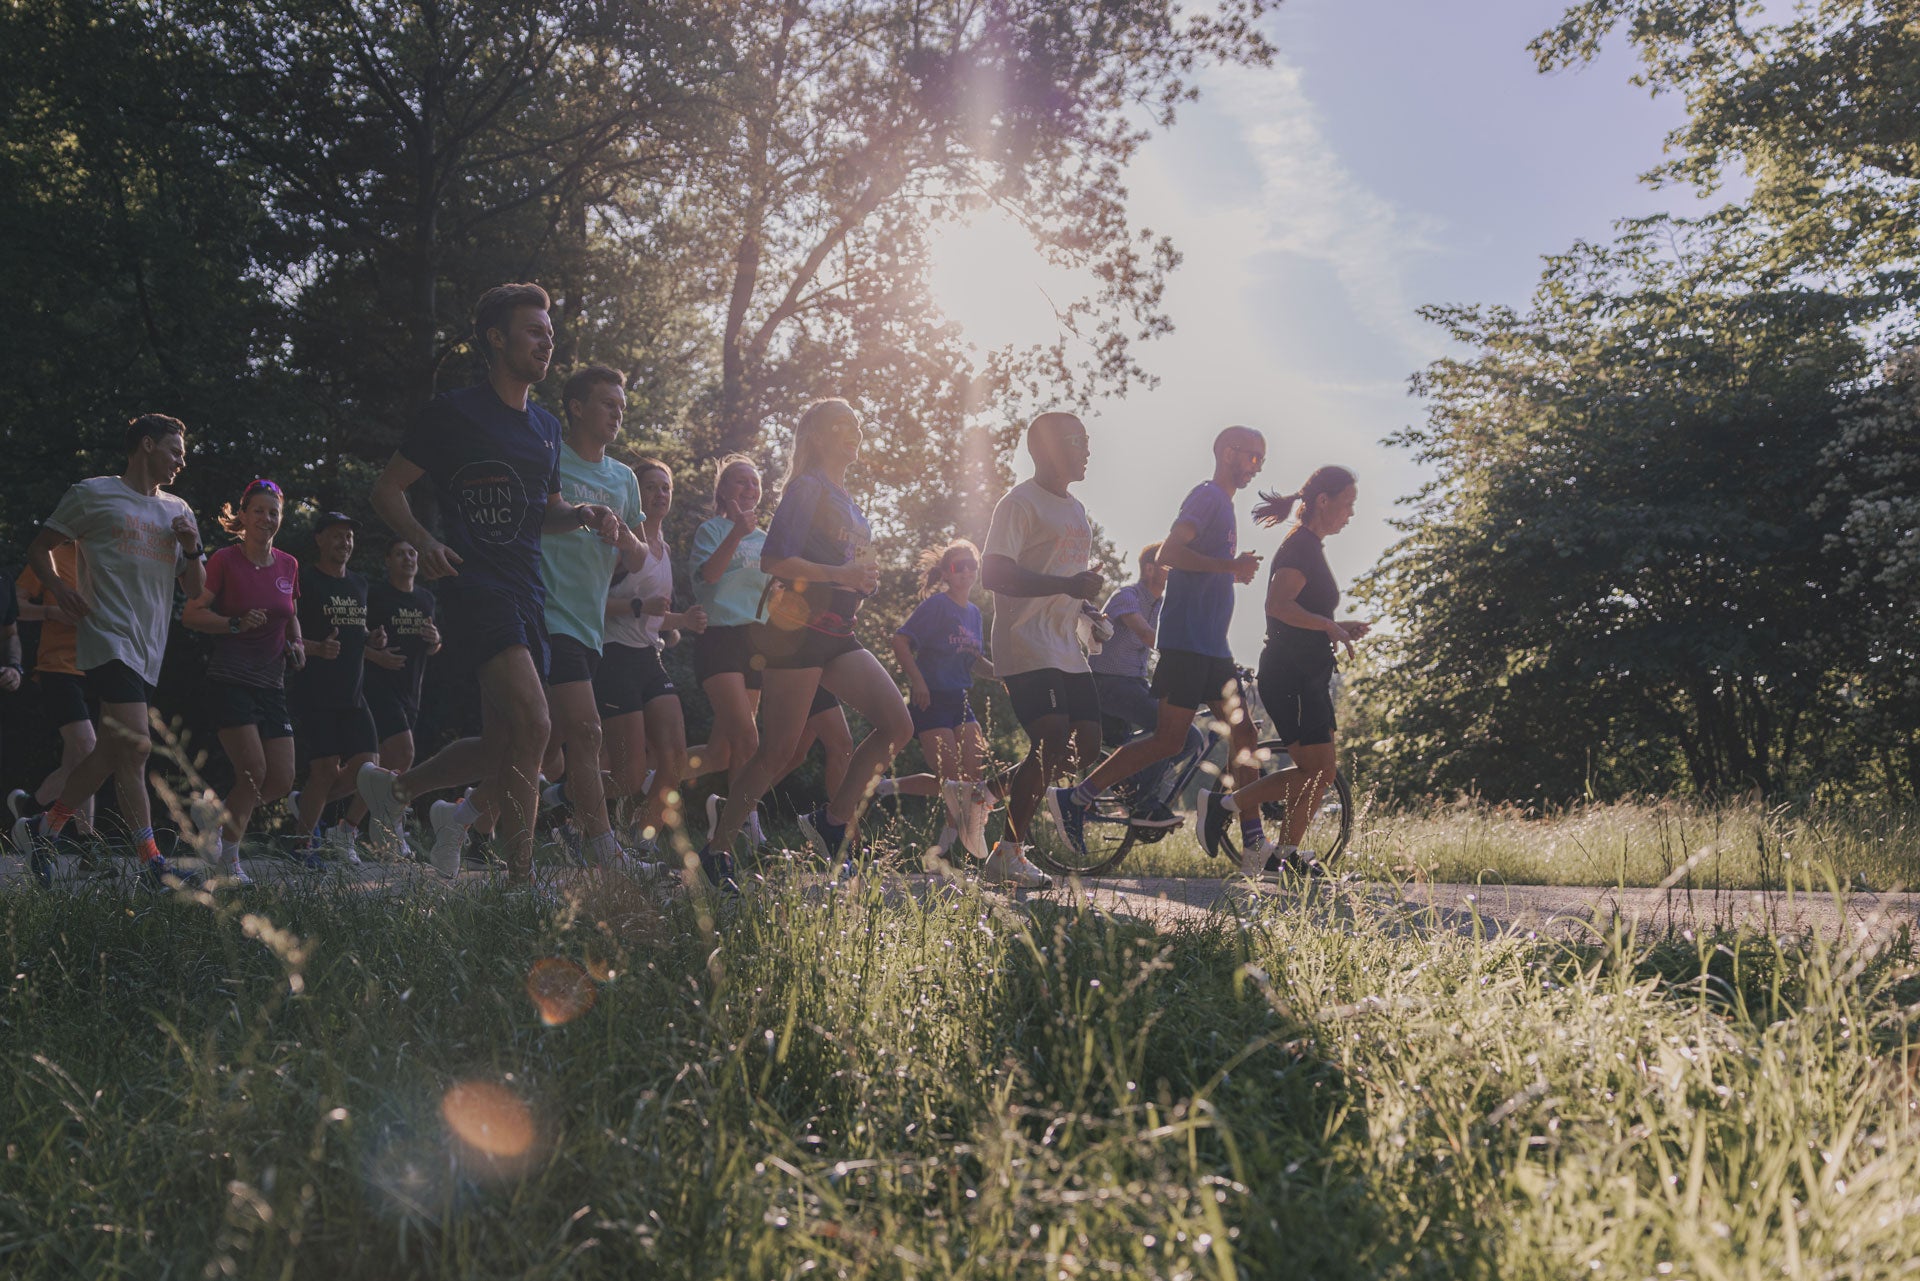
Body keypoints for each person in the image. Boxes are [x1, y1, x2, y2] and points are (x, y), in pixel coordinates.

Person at [357, 283, 623, 883]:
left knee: (503, 747)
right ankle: (520, 879)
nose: (545, 343)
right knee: (538, 723)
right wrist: (424, 540)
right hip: (473, 584)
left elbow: (544, 509)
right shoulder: (452, 412)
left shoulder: (548, 428)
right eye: (533, 331)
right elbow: (386, 490)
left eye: (550, 335)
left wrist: (579, 514)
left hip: (530, 590)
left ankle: (395, 793)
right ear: (496, 338)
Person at [694, 398, 914, 889]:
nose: (854, 432)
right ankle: (717, 851)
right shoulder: (806, 488)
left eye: (857, 424)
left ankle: (832, 820)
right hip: (796, 636)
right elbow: (774, 559)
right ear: (817, 436)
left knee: (897, 724)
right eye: (842, 425)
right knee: (775, 751)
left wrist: (864, 580)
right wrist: (841, 573)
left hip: (839, 632)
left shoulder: (848, 498)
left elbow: (855, 564)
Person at [1048, 426, 1268, 862]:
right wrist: (1230, 567)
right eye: (1253, 457)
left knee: (1245, 736)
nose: (1257, 466)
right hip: (1187, 644)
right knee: (1171, 740)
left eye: (1262, 459)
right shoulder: (1207, 497)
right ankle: (1078, 798)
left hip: (1211, 646)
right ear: (1228, 453)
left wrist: (1229, 571)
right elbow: (1169, 551)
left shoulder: (1224, 505)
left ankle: (1254, 841)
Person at [17, 414, 207, 888]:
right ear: (146, 445)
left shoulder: (178, 510)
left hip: (149, 647)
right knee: (138, 742)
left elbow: (196, 586)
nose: (181, 459)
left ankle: (45, 828)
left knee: (118, 751)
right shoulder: (93, 493)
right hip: (106, 636)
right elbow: (39, 549)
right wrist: (60, 590)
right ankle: (151, 860)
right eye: (175, 450)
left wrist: (193, 546)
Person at [1198, 466, 1369, 876]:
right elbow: (1277, 606)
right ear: (1323, 502)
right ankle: (1223, 805)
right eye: (1347, 504)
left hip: (1307, 673)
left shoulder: (1310, 546)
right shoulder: (1299, 548)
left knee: (1320, 772)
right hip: (1289, 674)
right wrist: (1328, 625)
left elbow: (1299, 611)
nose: (1350, 513)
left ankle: (1284, 855)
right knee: (1318, 772)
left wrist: (1336, 625)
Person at [975, 412, 1108, 889]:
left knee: (1085, 747)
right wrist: (1065, 584)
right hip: (1024, 641)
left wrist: (1085, 606)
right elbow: (993, 573)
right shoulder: (1018, 503)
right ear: (1048, 450)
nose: (1088, 451)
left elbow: (1062, 579)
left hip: (1064, 643)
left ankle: (983, 794)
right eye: (1079, 442)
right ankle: (1008, 853)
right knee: (1051, 739)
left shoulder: (1075, 509)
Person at [528, 364, 650, 869]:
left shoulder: (623, 478)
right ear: (576, 408)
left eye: (621, 407)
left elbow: (640, 557)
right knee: (588, 733)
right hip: (545, 610)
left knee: (540, 741)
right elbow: (531, 519)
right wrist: (580, 514)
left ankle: (461, 812)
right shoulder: (547, 457)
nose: (616, 415)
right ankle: (603, 849)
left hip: (589, 623)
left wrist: (622, 535)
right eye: (607, 404)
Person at [180, 479, 302, 883]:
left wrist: (297, 644)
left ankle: (216, 820)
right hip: (230, 680)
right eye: (259, 511)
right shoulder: (224, 561)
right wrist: (233, 624)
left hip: (272, 684)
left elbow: (290, 613)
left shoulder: (288, 564)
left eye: (274, 512)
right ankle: (229, 862)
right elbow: (192, 614)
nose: (267, 518)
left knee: (281, 779)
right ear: (244, 517)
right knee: (252, 770)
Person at [596, 458, 701, 858]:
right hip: (614, 655)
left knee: (675, 759)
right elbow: (596, 602)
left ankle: (642, 843)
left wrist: (682, 621)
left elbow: (653, 614)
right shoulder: (621, 544)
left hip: (648, 657)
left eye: (665, 487)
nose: (660, 494)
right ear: (636, 494)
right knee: (628, 776)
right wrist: (640, 605)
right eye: (651, 487)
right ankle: (562, 801)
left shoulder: (665, 549)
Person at [876, 540, 995, 865]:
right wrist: (918, 682)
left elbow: (975, 661)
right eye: (958, 566)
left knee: (973, 783)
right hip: (931, 700)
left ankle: (948, 847)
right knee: (952, 783)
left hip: (960, 699)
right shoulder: (936, 606)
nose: (967, 571)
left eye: (971, 564)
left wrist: (1006, 676)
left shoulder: (974, 614)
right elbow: (900, 641)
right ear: (945, 572)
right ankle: (886, 788)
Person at [685, 454, 774, 847]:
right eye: (741, 481)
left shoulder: (768, 539)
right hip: (718, 638)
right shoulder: (711, 530)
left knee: (721, 752)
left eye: (754, 483)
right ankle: (746, 833)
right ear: (723, 490)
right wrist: (736, 532)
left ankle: (653, 778)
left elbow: (777, 593)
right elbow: (710, 576)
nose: (749, 489)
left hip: (755, 643)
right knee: (749, 740)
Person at [335, 538, 441, 853]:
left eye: (412, 553)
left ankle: (342, 825)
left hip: (411, 691)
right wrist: (375, 653)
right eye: (399, 553)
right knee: (404, 753)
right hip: (376, 687)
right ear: (388, 560)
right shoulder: (376, 595)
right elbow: (351, 638)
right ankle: (390, 824)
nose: (407, 558)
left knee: (375, 768)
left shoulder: (426, 599)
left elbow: (433, 647)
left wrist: (436, 640)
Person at [288, 512, 379, 864]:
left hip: (354, 692)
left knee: (369, 769)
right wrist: (314, 648)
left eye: (350, 537)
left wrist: (375, 637)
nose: (345, 542)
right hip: (316, 690)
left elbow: (358, 628)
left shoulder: (359, 584)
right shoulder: (305, 580)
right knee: (325, 771)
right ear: (320, 539)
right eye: (338, 536)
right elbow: (288, 630)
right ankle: (302, 844)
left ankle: (307, 802)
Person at [1086, 542, 1193, 826]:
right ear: (1149, 569)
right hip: (1108, 683)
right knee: (1176, 731)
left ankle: (1134, 787)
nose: (1177, 571)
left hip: (1134, 684)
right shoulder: (1128, 596)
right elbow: (1147, 635)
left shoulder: (1161, 605)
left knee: (1189, 737)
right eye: (1170, 566)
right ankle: (1140, 798)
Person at [10, 547, 101, 861]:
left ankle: (34, 811)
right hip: (58, 668)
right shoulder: (48, 555)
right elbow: (14, 607)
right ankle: (38, 814)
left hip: (102, 668)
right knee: (89, 751)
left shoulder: (107, 554)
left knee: (79, 760)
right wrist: (51, 612)